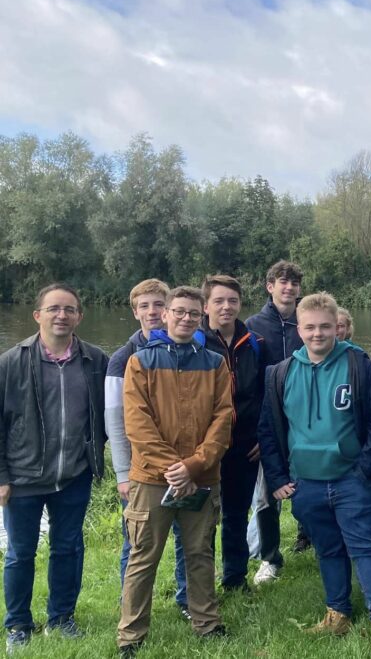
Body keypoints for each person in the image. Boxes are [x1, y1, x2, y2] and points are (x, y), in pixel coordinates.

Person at [256, 292, 371, 658]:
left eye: (325, 326)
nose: (317, 334)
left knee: (366, 549)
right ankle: (338, 613)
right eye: (309, 327)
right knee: (327, 550)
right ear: (299, 328)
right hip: (305, 483)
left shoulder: (357, 364)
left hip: (351, 480)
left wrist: (365, 470)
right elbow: (268, 429)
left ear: (335, 326)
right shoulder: (280, 373)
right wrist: (277, 479)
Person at [117, 286, 232, 656]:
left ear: (203, 319)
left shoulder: (215, 362)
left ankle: (207, 623)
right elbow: (137, 423)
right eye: (179, 312)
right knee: (143, 555)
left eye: (194, 314)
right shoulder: (139, 361)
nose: (186, 319)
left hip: (202, 476)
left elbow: (223, 418)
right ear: (164, 315)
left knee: (200, 552)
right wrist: (173, 468)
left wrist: (195, 465)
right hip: (151, 479)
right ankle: (131, 635)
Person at [1, 284, 108, 652]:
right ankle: (17, 624)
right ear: (38, 315)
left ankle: (62, 618)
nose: (61, 315)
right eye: (53, 309)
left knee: (68, 548)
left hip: (74, 476)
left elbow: (106, 419)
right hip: (23, 477)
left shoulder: (95, 359)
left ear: (79, 315)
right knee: (20, 553)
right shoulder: (10, 362)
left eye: (69, 309)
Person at [105, 279, 189, 618]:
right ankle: (133, 603)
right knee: (137, 541)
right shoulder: (122, 358)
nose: (152, 312)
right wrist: (123, 473)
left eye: (158, 305)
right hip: (141, 470)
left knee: (189, 537)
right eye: (145, 306)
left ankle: (186, 600)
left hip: (186, 465)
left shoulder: (188, 349)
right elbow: (116, 422)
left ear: (168, 309)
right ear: (135, 311)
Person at [198, 275, 268, 593]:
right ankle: (200, 582)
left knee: (237, 514)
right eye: (219, 301)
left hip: (245, 446)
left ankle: (235, 578)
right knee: (202, 518)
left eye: (233, 301)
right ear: (205, 305)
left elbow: (266, 394)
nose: (227, 307)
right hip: (205, 448)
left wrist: (262, 437)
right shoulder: (194, 342)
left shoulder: (254, 343)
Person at [244, 260, 306, 578]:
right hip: (268, 422)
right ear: (270, 286)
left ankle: (312, 539)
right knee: (267, 492)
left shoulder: (306, 323)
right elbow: (248, 382)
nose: (289, 287)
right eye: (283, 281)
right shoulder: (253, 326)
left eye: (294, 282)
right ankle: (270, 558)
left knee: (311, 484)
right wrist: (256, 430)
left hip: (305, 420)